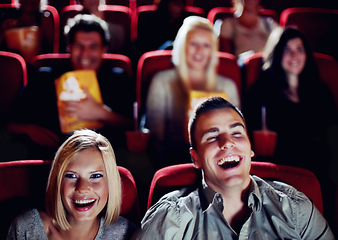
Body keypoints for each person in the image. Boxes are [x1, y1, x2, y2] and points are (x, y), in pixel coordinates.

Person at [137, 96, 335, 239]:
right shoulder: (170, 218)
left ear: (250, 149)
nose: (227, 143)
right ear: (195, 158)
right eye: (212, 137)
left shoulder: (295, 209)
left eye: (237, 133)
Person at [243, 26, 338, 232]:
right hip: (277, 168)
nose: (294, 55)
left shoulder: (319, 89)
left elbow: (332, 131)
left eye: (299, 49)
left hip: (319, 166)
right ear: (277, 55)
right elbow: (249, 133)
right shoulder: (262, 91)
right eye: (287, 50)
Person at [6, 14, 133, 160]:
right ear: (68, 47)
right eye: (79, 46)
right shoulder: (46, 77)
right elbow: (10, 123)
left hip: (104, 157)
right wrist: (30, 130)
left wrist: (103, 114)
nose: (85, 54)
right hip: (51, 156)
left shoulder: (117, 78)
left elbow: (132, 125)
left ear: (104, 49)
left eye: (93, 46)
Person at [7, 129, 138, 239]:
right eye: (71, 175)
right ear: (57, 182)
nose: (82, 188)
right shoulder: (26, 228)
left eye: (96, 176)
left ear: (111, 183)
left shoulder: (126, 233)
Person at [145, 16, 240, 167]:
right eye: (194, 44)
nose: (199, 51)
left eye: (206, 45)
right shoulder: (162, 81)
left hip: (219, 161)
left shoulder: (227, 85)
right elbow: (155, 136)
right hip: (172, 160)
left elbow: (236, 133)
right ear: (183, 46)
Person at [0, 0, 55, 64]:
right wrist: (3, 29)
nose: (29, 1)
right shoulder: (7, 17)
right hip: (11, 64)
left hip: (38, 65)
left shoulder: (46, 18)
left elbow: (50, 49)